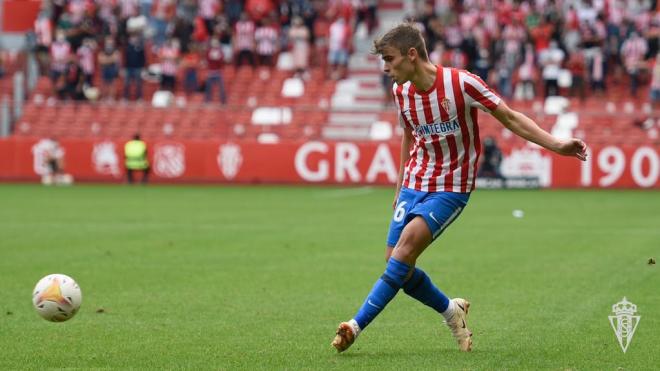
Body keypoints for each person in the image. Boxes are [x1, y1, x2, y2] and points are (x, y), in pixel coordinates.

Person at [331, 23, 588, 353]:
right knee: (395, 263)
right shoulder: (401, 90)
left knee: (404, 252)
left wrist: (556, 144)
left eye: (390, 59)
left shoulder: (461, 84)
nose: (386, 68)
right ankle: (451, 311)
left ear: (412, 55)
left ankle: (354, 325)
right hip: (415, 180)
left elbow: (509, 117)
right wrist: (399, 186)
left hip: (451, 185)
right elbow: (409, 136)